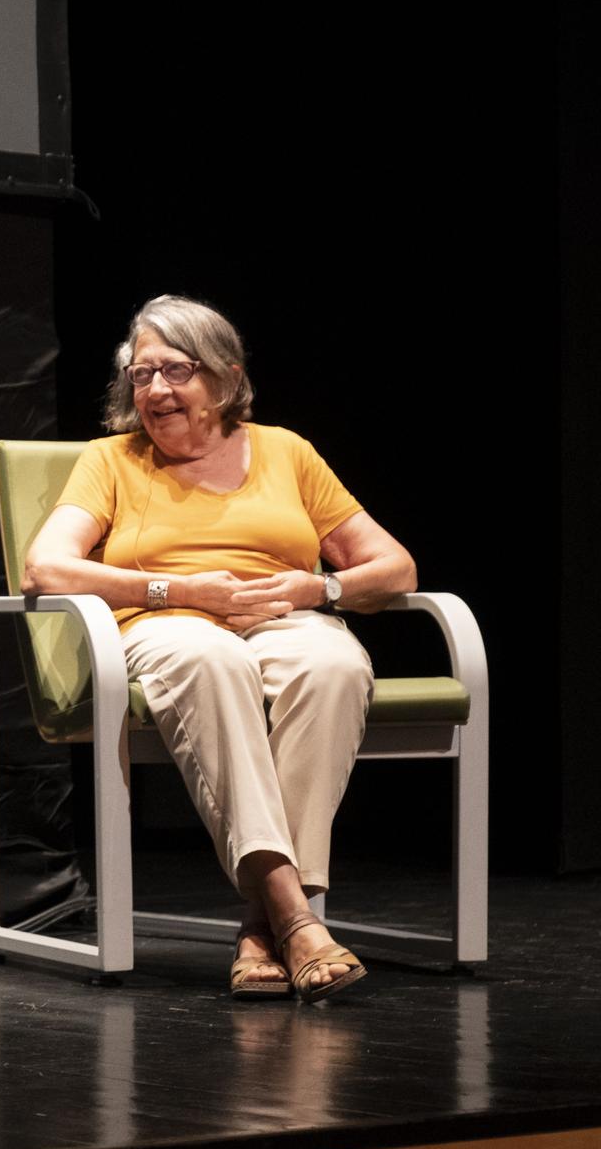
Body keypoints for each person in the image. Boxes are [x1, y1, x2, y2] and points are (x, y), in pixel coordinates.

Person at [22, 295, 415, 1002]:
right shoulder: (112, 460)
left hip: (281, 617)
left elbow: (394, 568)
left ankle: (260, 925)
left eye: (175, 370)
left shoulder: (287, 451)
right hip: (165, 624)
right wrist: (177, 592)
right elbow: (46, 567)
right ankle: (296, 917)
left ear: (226, 378)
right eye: (141, 375)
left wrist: (315, 591)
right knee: (213, 660)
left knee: (335, 663)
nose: (155, 390)